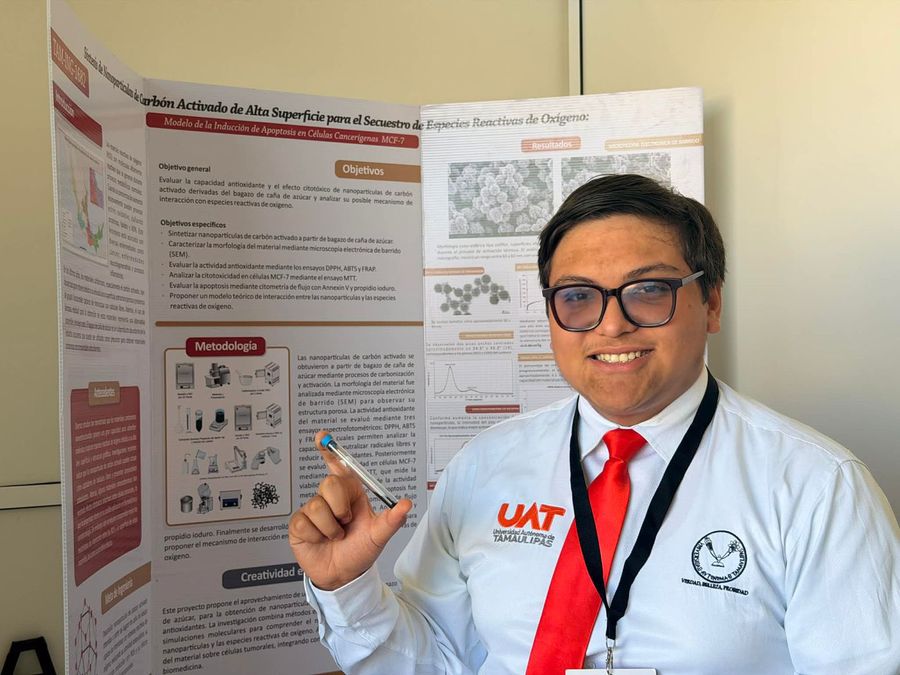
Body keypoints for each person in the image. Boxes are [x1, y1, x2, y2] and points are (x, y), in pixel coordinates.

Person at [289, 174, 900, 674]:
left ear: (711, 302)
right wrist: (349, 588)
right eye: (578, 296)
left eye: (648, 290)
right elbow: (435, 662)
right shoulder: (484, 466)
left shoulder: (817, 487)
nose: (611, 325)